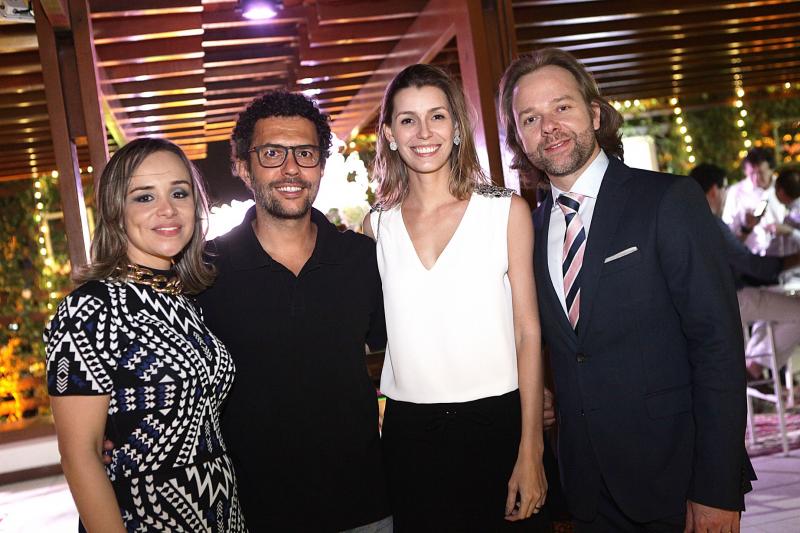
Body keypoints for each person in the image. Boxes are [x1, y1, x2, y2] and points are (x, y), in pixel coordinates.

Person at [499, 48, 754, 532]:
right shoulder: (526, 231)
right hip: (585, 492)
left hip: (676, 481)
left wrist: (717, 488)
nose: (549, 127)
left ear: (595, 114)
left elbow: (718, 347)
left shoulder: (668, 200)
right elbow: (557, 343)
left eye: (562, 107)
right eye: (530, 118)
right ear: (519, 138)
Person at [365, 64, 549, 532]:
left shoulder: (504, 211)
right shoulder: (376, 226)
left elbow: (528, 333)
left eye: (437, 116)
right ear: (389, 134)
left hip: (498, 420)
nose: (424, 132)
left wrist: (532, 448)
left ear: (457, 127)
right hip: (409, 434)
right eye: (408, 120)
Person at [197, 91, 392, 531]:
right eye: (272, 153)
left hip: (366, 507)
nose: (291, 169)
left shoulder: (360, 258)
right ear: (242, 166)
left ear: (321, 165)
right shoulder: (205, 272)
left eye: (305, 153)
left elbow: (414, 352)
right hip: (254, 515)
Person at [45, 138, 246, 532]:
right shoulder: (91, 308)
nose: (167, 209)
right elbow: (80, 455)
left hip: (222, 514)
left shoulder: (187, 301)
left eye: (179, 193)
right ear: (115, 211)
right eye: (144, 197)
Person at [690, 162, 800, 378]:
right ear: (714, 190)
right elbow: (752, 265)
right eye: (724, 189)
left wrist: (747, 228)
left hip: (717, 300)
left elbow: (734, 255)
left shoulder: (693, 222)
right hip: (733, 297)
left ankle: (754, 366)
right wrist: (795, 259)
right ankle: (754, 368)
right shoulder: (711, 223)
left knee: (772, 309)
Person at [721, 147, 784, 254]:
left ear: (771, 169)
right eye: (751, 174)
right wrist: (746, 226)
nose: (756, 178)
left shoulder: (784, 187)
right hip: (750, 257)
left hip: (783, 255)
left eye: (761, 173)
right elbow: (727, 233)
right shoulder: (736, 192)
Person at [767, 166, 800, 254]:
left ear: (781, 191)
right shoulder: (789, 207)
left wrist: (789, 231)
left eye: (776, 188)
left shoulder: (796, 209)